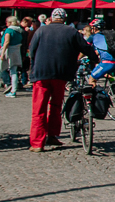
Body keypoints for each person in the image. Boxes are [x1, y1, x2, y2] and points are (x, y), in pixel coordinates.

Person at [28, 8, 99, 152]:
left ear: (52, 18)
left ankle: (37, 143)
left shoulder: (41, 31)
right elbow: (86, 47)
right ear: (64, 18)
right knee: (56, 105)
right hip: (61, 73)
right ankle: (52, 135)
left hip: (41, 73)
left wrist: (32, 67)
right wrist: (95, 60)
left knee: (39, 108)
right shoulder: (71, 31)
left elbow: (32, 51)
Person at [0, 16, 24, 98]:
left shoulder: (9, 30)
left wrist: (2, 53)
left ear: (10, 22)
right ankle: (13, 90)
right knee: (13, 71)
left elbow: (6, 41)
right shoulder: (19, 31)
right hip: (16, 51)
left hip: (7, 51)